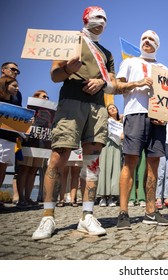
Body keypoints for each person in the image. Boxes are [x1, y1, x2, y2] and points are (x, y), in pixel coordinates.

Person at [32, 6, 117, 240]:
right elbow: (55, 75)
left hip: (98, 106)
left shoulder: (107, 53)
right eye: (97, 17)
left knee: (92, 163)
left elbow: (113, 83)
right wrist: (69, 68)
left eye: (105, 19)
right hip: (71, 100)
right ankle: (48, 216)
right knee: (59, 157)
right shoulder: (69, 40)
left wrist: (102, 83)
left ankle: (87, 216)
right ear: (86, 18)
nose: (102, 22)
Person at [115, 30, 168, 229]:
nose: (147, 41)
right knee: (130, 161)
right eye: (144, 39)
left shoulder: (163, 67)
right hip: (135, 114)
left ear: (157, 45)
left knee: (153, 165)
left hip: (157, 119)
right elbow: (116, 86)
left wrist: (164, 116)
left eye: (152, 39)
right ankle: (123, 213)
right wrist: (138, 83)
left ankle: (150, 212)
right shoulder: (130, 63)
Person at [16, 90, 49, 207]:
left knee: (33, 170)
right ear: (36, 97)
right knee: (24, 169)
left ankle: (28, 197)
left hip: (40, 144)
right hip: (28, 142)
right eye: (44, 96)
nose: (46, 98)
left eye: (47, 97)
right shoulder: (28, 110)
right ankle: (21, 198)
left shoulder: (48, 114)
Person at [1, 62, 23, 204]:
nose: (15, 71)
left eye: (17, 71)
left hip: (9, 136)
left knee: (3, 167)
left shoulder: (17, 95)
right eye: (13, 69)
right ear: (3, 70)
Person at [97, 103, 123, 207]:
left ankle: (112, 196)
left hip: (117, 147)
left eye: (114, 107)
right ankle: (103, 196)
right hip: (107, 145)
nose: (112, 109)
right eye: (110, 108)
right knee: (105, 169)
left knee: (115, 170)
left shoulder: (121, 122)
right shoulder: (106, 121)